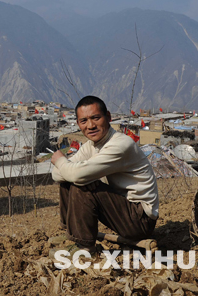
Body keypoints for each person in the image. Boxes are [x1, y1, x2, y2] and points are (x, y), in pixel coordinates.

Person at [50, 95, 159, 252]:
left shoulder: (120, 144)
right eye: (84, 121)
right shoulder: (92, 145)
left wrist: (61, 161)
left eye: (96, 118)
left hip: (140, 220)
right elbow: (57, 174)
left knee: (82, 183)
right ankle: (72, 235)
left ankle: (85, 248)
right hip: (125, 212)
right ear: (78, 124)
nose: (91, 125)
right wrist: (68, 168)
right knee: (71, 177)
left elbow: (75, 174)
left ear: (108, 117)